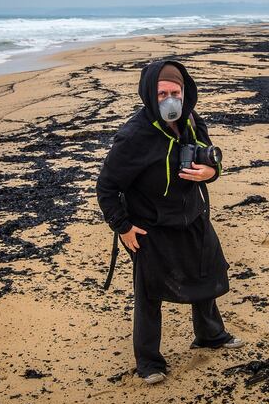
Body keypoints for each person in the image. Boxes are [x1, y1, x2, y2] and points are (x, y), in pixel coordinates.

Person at [95, 59, 244, 385]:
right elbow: (106, 187)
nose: (169, 100)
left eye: (174, 92)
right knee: (149, 295)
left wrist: (211, 172)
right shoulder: (133, 137)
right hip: (150, 227)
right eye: (162, 94)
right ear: (150, 94)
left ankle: (210, 334)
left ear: (184, 91)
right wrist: (122, 226)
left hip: (192, 216)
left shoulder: (191, 120)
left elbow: (210, 157)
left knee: (207, 277)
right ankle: (149, 362)